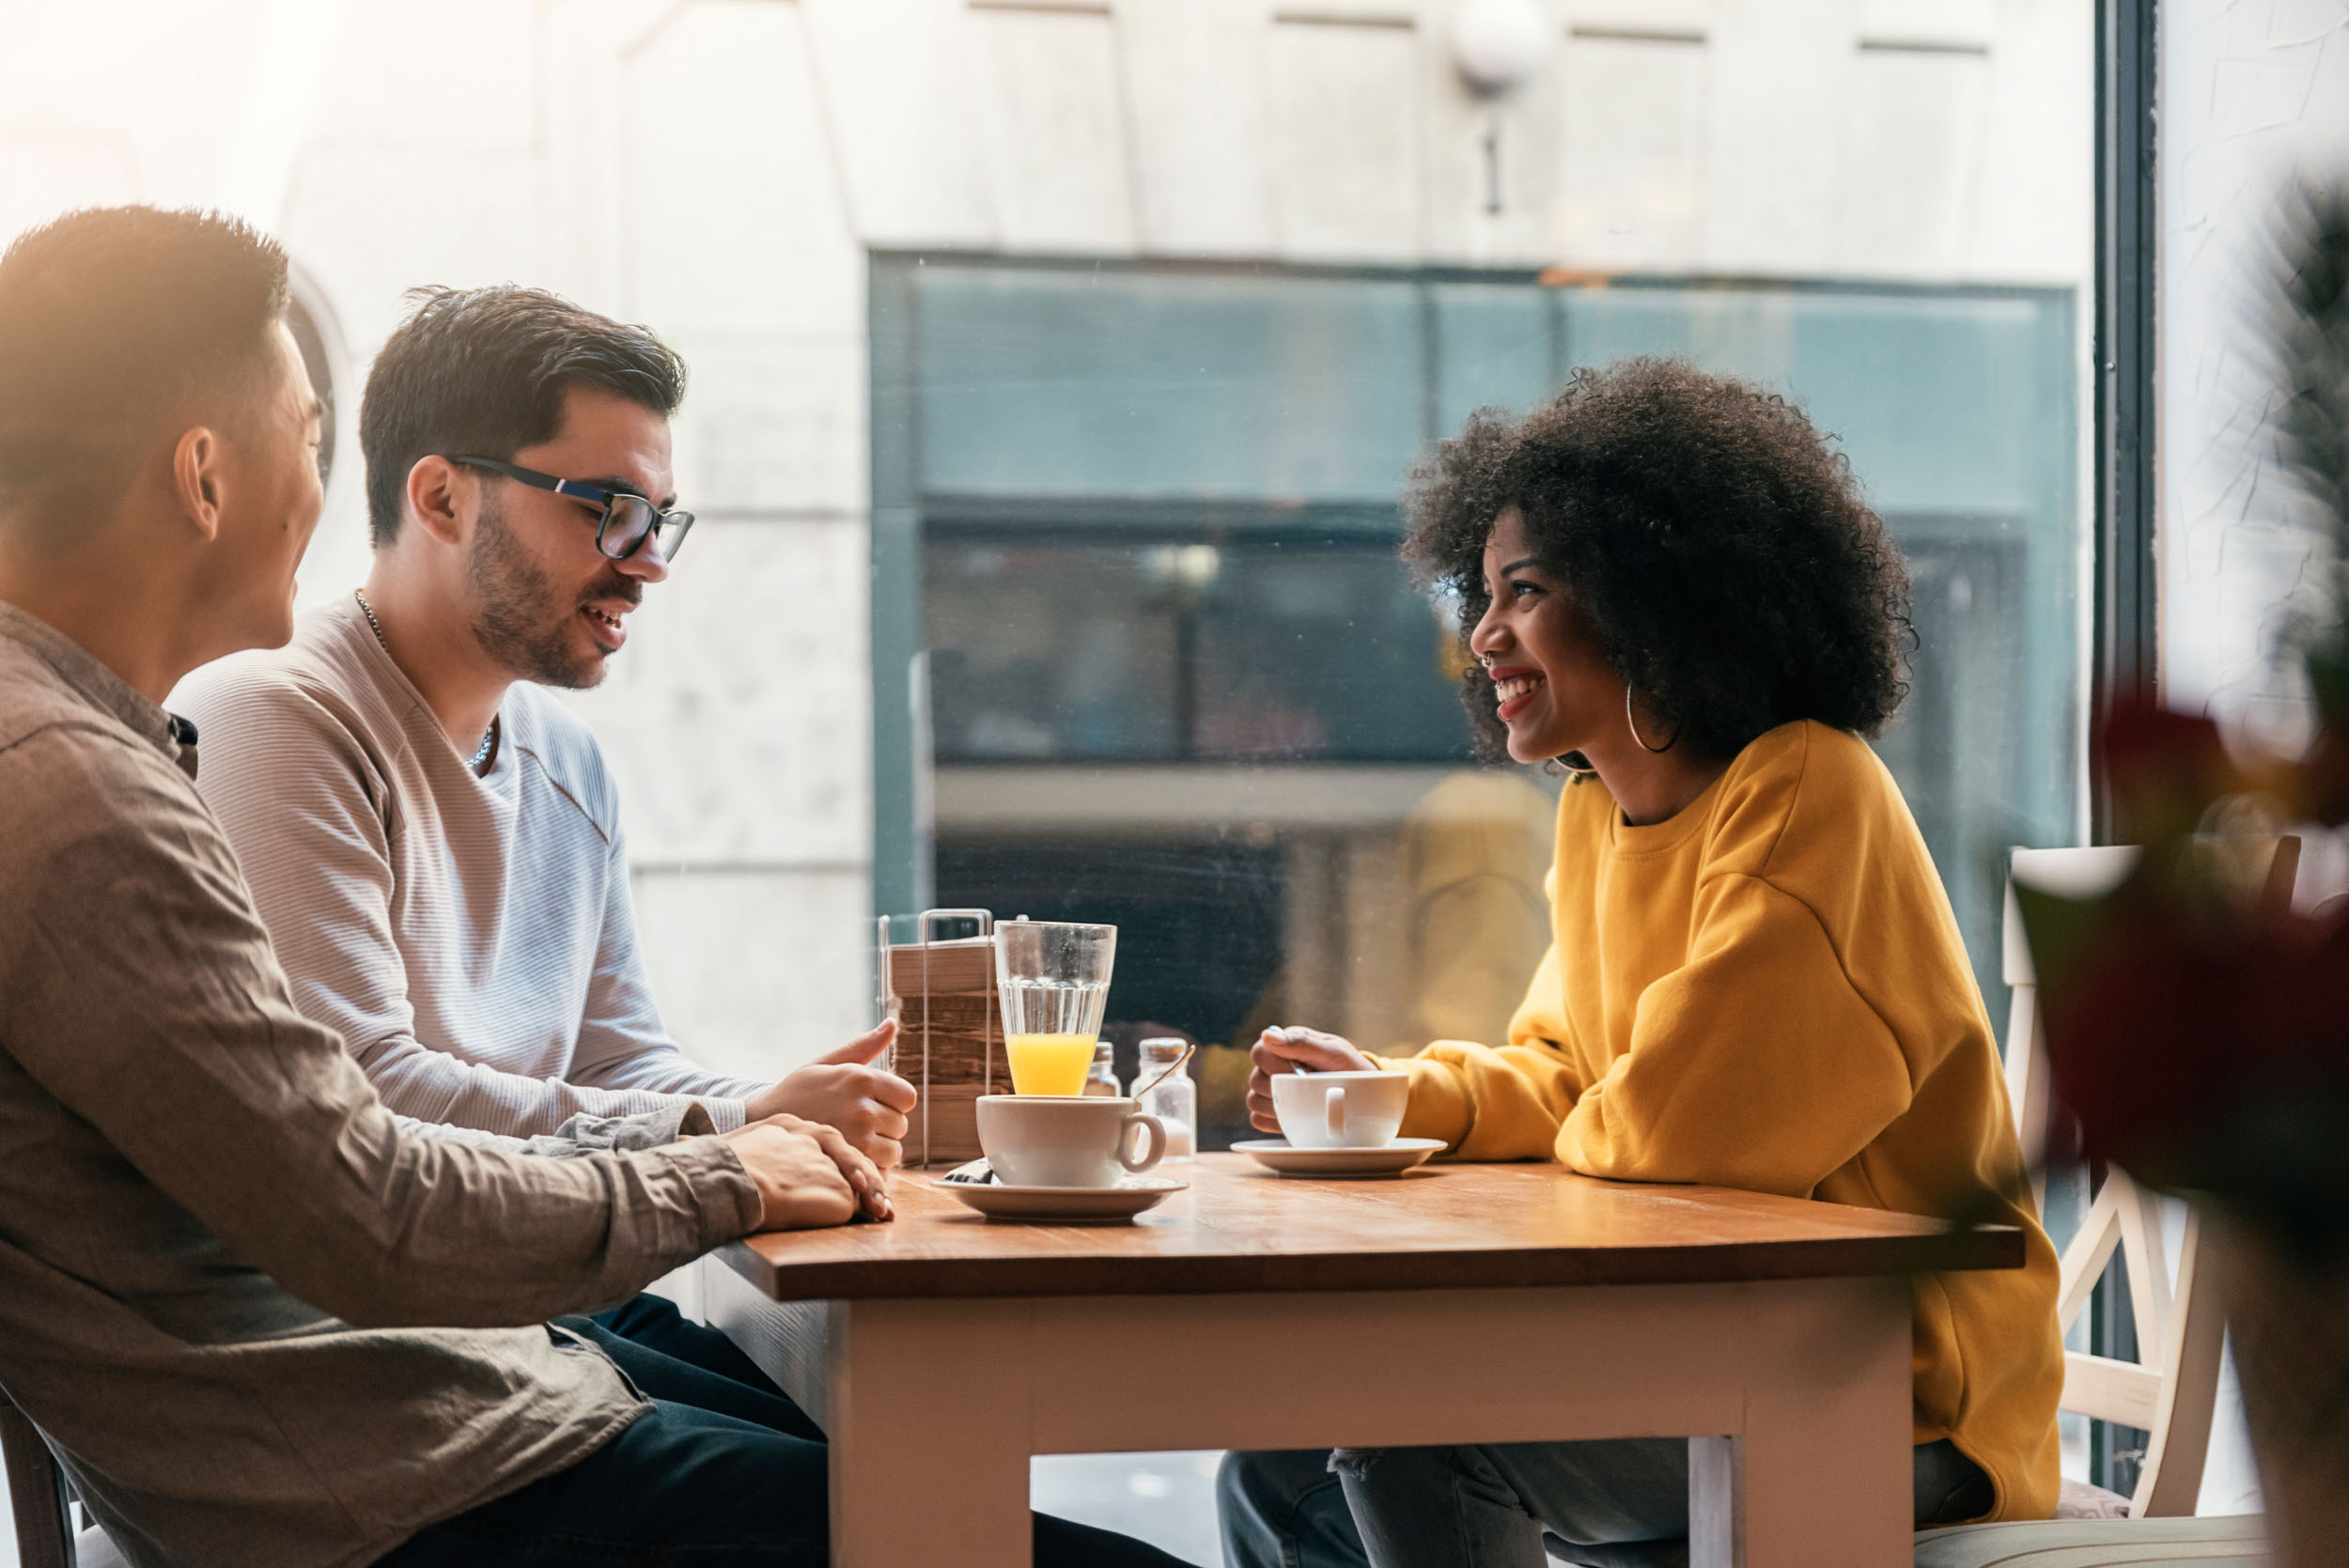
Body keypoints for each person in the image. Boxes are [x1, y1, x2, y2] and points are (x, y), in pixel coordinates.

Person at [0, 204, 1185, 1568]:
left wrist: (741, 1134)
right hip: (389, 1482)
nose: (324, 489)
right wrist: (724, 1165)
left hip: (434, 1402)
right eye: (313, 439)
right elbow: (368, 1200)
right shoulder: (79, 788)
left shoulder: (94, 753)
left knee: (913, 1459)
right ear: (205, 474)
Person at [1219, 359, 2064, 1568]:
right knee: (1277, 1461)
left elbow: (1685, 1129)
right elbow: (1569, 1073)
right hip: (1716, 1361)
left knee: (1417, 1438)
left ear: (1650, 601)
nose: (1486, 635)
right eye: (1482, 593)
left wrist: (1574, 1114)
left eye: (1527, 590)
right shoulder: (1594, 813)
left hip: (1893, 1405)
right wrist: (1397, 1097)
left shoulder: (1806, 787)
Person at [174, 281, 919, 1389]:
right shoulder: (273, 718)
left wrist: (797, 1107)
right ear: (439, 498)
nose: (649, 560)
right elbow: (371, 1096)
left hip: (549, 1315)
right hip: (398, 1356)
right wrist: (735, 1122)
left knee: (889, 1439)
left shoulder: (569, 763)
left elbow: (619, 1059)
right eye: (605, 507)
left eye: (659, 519)